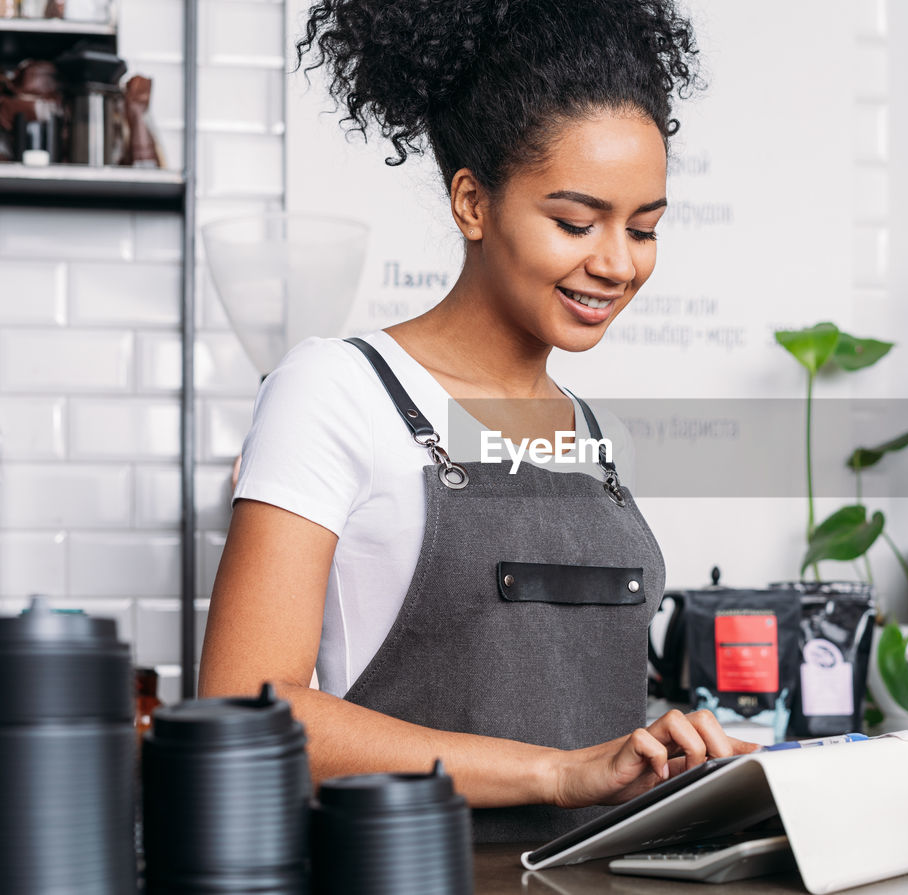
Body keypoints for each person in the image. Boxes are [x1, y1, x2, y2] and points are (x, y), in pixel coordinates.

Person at [198, 0, 756, 844]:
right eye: (576, 221)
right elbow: (244, 709)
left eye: (643, 227)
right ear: (472, 203)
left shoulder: (597, 438)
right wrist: (555, 771)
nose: (616, 261)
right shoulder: (338, 390)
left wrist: (675, 750)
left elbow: (573, 699)